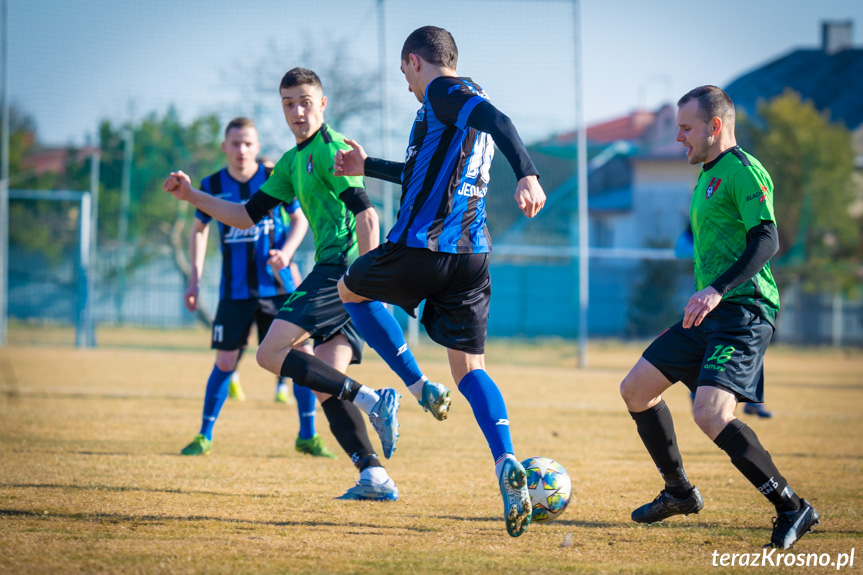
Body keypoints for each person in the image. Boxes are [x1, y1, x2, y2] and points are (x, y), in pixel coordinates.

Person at [333, 26, 547, 538]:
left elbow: (501, 121)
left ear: (415, 62)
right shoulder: (457, 107)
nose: (406, 84)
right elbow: (424, 174)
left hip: (422, 248)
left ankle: (413, 386)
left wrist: (528, 173)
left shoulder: (447, 91)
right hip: (472, 256)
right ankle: (506, 462)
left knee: (349, 291)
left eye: (404, 73)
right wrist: (368, 167)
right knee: (470, 369)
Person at [164, 69, 401, 501]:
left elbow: (368, 217)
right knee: (323, 380)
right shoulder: (292, 161)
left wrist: (363, 283)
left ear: (323, 103)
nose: (297, 111)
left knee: (270, 354)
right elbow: (244, 215)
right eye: (288, 103)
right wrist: (191, 196)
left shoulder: (332, 150)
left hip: (339, 273)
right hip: (337, 274)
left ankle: (372, 400)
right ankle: (374, 476)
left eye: (305, 101)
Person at [619, 86, 819, 549]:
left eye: (685, 128)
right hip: (710, 313)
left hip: (745, 311)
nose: (678, 138)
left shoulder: (745, 172)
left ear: (716, 126)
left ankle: (793, 507)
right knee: (635, 390)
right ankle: (679, 492)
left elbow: (766, 239)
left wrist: (716, 289)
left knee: (710, 414)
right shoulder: (707, 175)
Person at [179, 117, 335, 460]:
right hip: (234, 292)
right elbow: (199, 230)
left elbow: (300, 217)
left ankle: (307, 435)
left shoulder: (272, 179)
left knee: (302, 356)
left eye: (248, 143)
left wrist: (288, 251)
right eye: (235, 144)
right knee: (225, 361)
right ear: (225, 147)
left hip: (279, 288)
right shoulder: (211, 184)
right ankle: (204, 435)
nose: (241, 150)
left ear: (257, 146)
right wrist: (194, 278)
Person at [677, 226, 773, 419]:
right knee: (709, 341)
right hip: (707, 291)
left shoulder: (741, 219)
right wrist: (703, 251)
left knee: (750, 347)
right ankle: (698, 390)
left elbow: (763, 243)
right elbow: (680, 248)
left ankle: (753, 401)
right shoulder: (701, 217)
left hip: (737, 294)